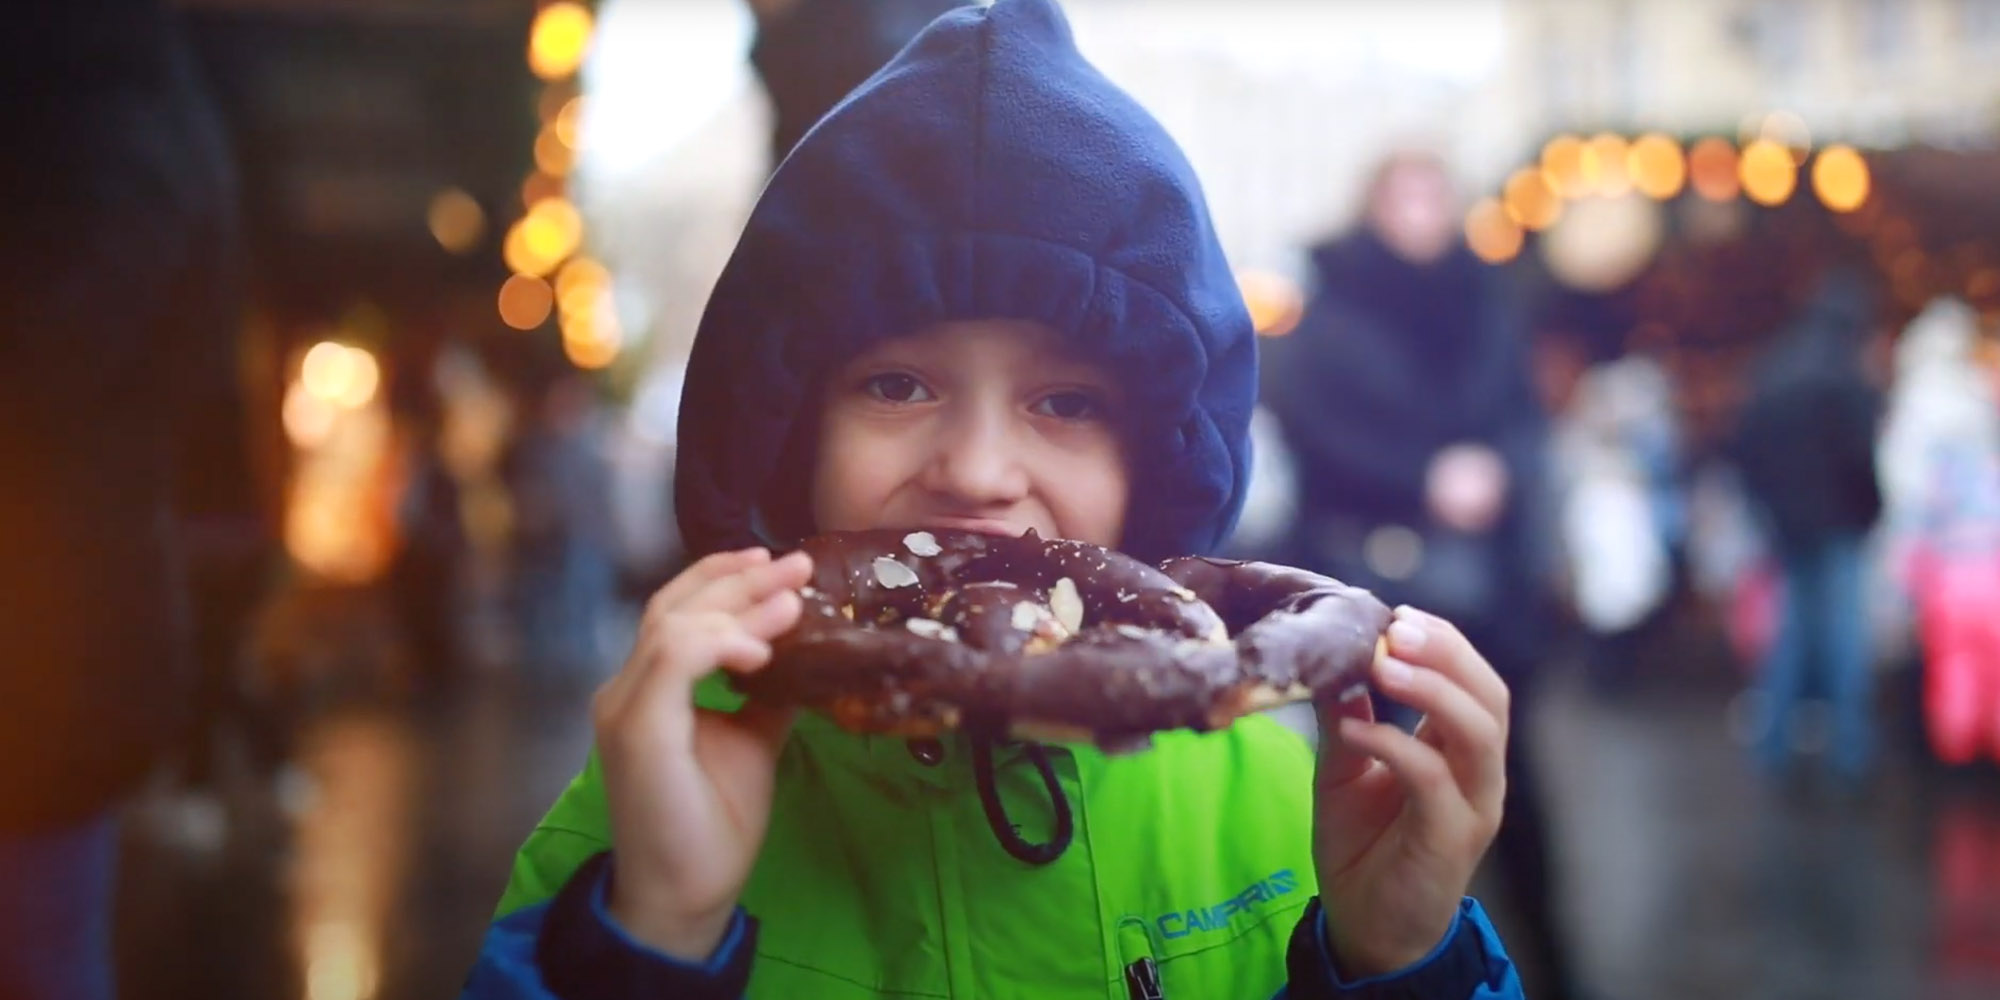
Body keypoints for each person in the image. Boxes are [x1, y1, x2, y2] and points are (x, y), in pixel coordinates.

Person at [462, 3, 1522, 996]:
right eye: (895, 384)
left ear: (1153, 462)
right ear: (788, 434)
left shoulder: (1277, 800)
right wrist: (650, 933)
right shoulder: (644, 802)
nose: (974, 469)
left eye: (1063, 401)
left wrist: (1393, 958)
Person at [1261, 152, 1576, 1000]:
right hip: (1374, 590)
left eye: (1435, 192)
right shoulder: (1332, 309)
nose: (1421, 210)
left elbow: (1521, 422)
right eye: (1404, 192)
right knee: (1390, 791)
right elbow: (1312, 426)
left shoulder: (1486, 301)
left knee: (1509, 785)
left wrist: (1502, 485)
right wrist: (1423, 477)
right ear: (1372, 203)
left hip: (1485, 596)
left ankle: (1553, 966)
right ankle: (1400, 961)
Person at [0, 2, 242, 997]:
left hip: (47, 630)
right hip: (74, 625)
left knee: (41, 949)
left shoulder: (103, 117)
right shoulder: (146, 109)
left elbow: (46, 354)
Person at [1730, 268, 1886, 785]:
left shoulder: (1776, 367)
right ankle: (1851, 750)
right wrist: (1870, 513)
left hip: (1787, 524)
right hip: (1838, 522)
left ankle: (1773, 746)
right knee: (1844, 633)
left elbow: (1744, 445)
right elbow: (1861, 458)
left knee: (1791, 632)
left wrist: (1767, 509)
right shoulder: (1845, 375)